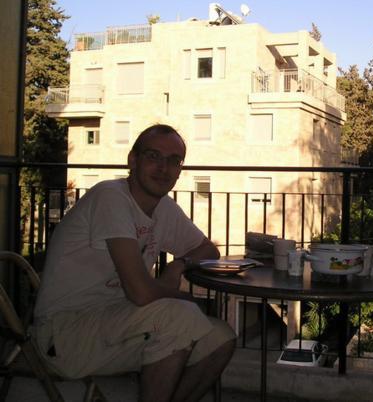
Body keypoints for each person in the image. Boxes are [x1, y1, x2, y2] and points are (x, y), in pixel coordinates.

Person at [33, 124, 236, 402]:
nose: (163, 168)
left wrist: (178, 265)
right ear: (133, 160)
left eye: (174, 160)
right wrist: (189, 300)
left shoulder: (163, 208)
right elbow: (140, 293)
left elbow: (208, 250)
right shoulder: (111, 197)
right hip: (65, 334)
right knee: (180, 316)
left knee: (220, 338)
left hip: (118, 320)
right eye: (153, 156)